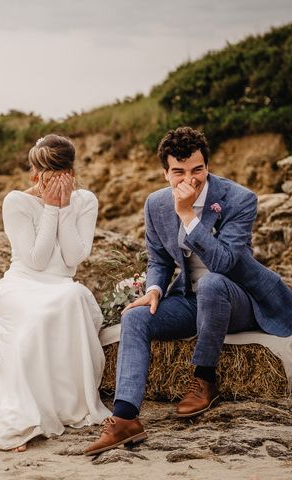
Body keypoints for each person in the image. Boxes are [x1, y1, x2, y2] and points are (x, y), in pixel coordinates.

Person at [84, 126, 292, 456]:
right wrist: (153, 288)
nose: (190, 179)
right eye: (178, 171)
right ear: (165, 172)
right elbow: (159, 259)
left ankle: (205, 378)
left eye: (197, 170)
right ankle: (124, 419)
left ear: (206, 166)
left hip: (243, 298)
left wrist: (187, 213)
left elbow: (224, 263)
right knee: (137, 317)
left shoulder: (239, 199)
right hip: (192, 299)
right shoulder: (156, 204)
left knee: (212, 283)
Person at [0, 134, 111, 452]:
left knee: (72, 298)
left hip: (61, 285)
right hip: (22, 285)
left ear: (71, 173)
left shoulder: (85, 201)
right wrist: (49, 209)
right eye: (42, 173)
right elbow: (36, 259)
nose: (44, 180)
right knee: (38, 316)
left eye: (59, 174)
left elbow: (73, 259)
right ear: (34, 172)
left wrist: (64, 209)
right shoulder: (15, 202)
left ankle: (68, 403)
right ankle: (26, 414)